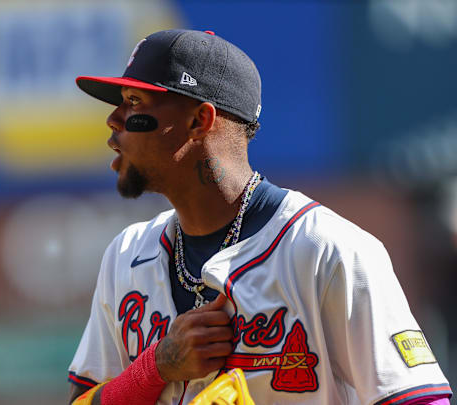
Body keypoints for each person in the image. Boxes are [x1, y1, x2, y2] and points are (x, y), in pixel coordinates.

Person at [67, 29, 451, 405]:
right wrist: (155, 368)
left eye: (134, 101)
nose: (114, 119)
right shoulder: (126, 256)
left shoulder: (328, 251)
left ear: (200, 120)